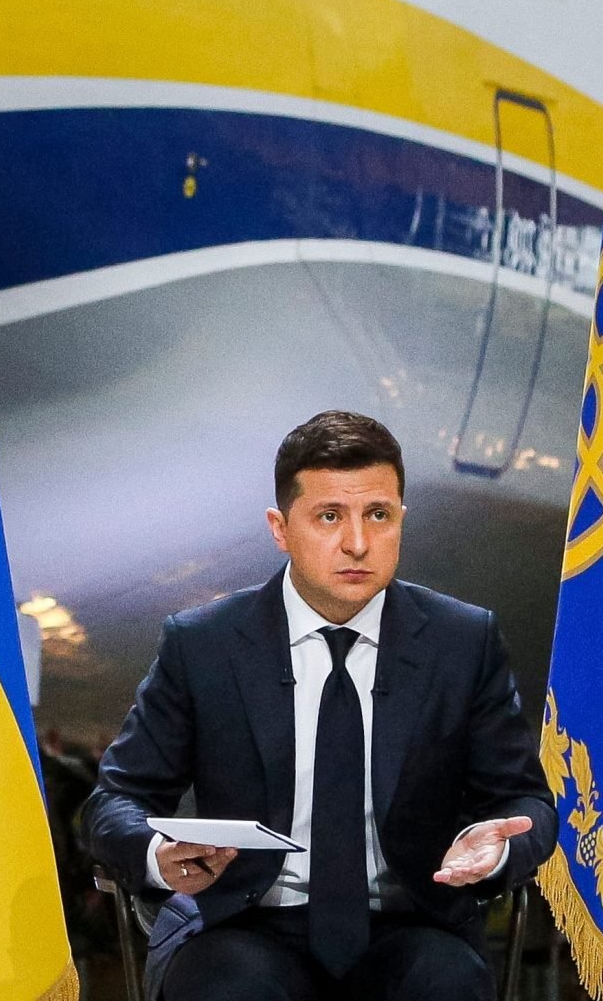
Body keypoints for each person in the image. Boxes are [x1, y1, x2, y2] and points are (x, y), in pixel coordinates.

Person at [79, 411, 556, 1001]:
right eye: (329, 516)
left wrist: (498, 843)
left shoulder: (463, 641)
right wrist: (157, 855)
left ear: (401, 519)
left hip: (413, 923)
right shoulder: (204, 644)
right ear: (280, 528)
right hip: (242, 923)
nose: (357, 542)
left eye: (378, 515)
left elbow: (524, 799)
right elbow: (115, 802)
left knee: (447, 987)